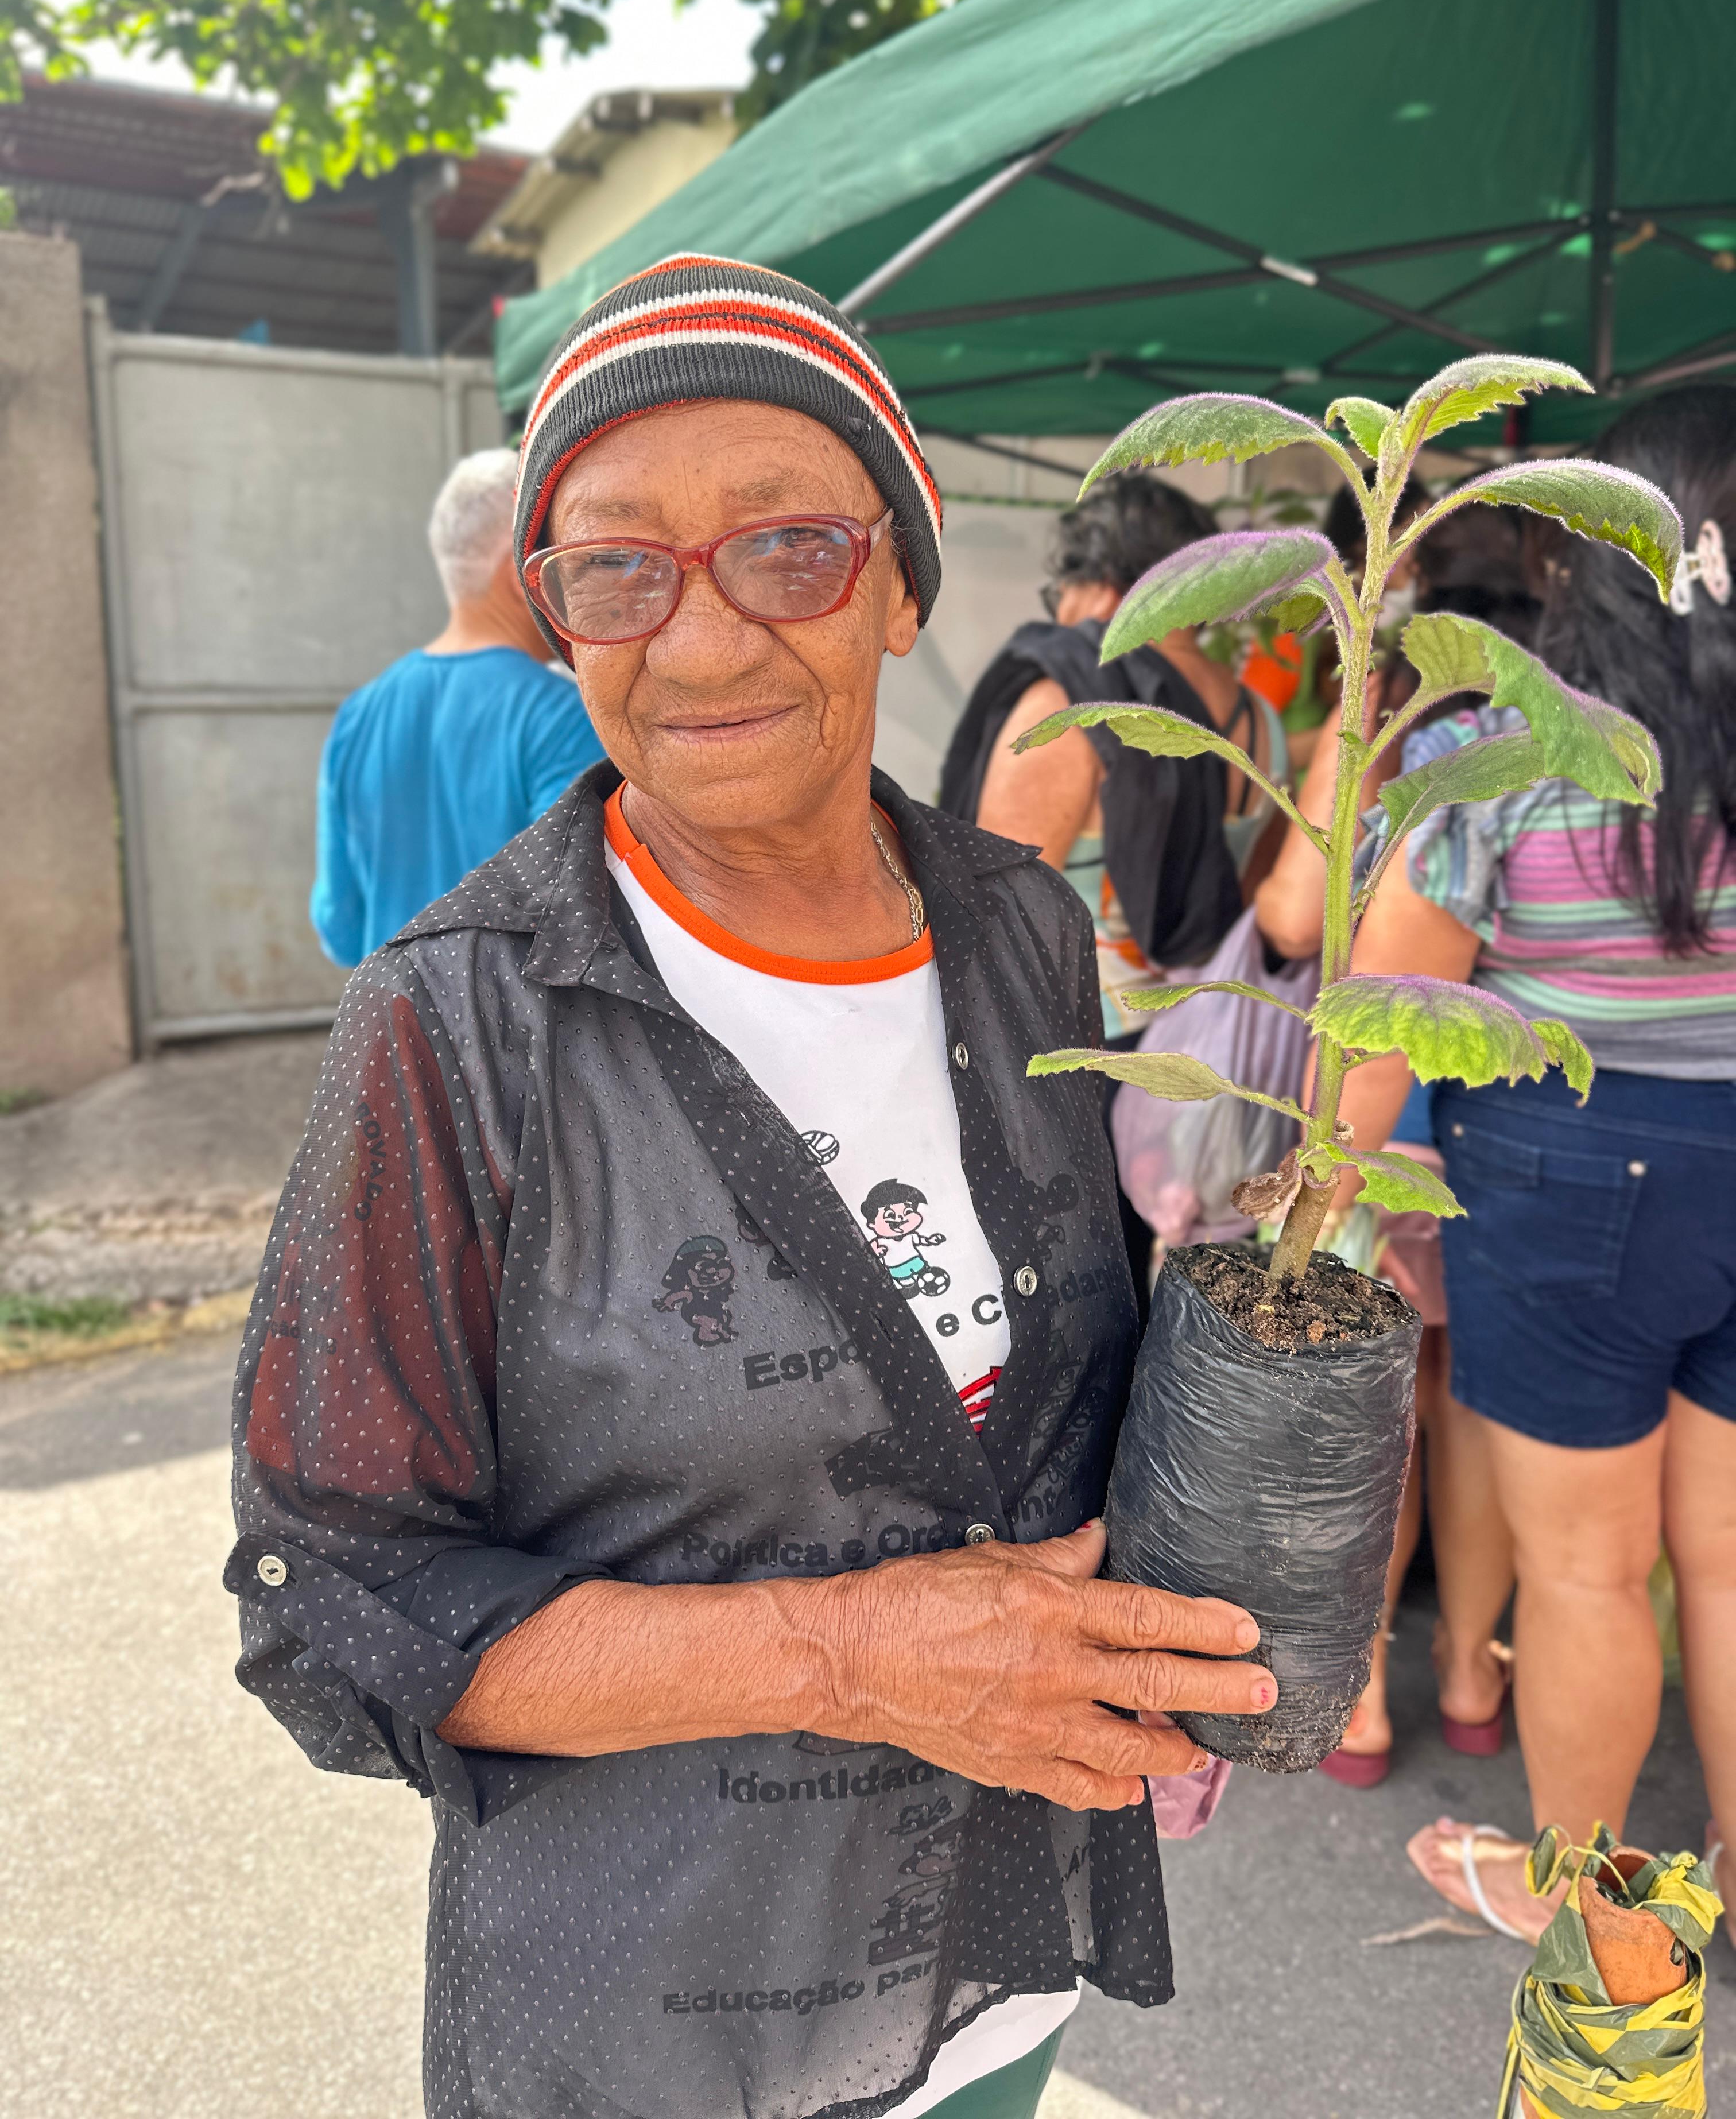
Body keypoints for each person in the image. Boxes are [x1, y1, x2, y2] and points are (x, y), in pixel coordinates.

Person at [228, 255, 1276, 2119]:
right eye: (618, 566)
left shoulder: (1022, 927)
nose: (698, 645)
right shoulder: (453, 1030)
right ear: (557, 620)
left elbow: (1053, 1358)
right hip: (659, 2019)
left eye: (786, 548)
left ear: (896, 583)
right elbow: (342, 1596)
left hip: (990, 1975)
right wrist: (861, 1652)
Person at [1326, 385, 1736, 1943]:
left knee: (1587, 1574)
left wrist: (1311, 1214)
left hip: (1572, 1186)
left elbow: (1386, 1014)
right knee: (1730, 1562)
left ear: (1595, 556)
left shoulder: (1505, 761)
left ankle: (1590, 1912)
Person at [1254, 498, 1541, 1785]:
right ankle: (1475, 1677)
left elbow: (1300, 913)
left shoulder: (1416, 737)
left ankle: (1363, 1696)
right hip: (1512, 1142)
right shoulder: (1574, 744)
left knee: (1375, 1425)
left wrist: (1357, 711)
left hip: (1379, 1127)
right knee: (1467, 1412)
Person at [939, 474, 1249, 1035]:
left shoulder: (1065, 707)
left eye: (1061, 592)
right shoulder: (1258, 717)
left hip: (1082, 1051)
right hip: (1206, 1042)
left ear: (1103, 584)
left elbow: (994, 922)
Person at [309, 447, 606, 965]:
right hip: (514, 1040)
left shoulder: (359, 716)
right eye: (560, 558)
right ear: (521, 576)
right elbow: (575, 920)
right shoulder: (563, 718)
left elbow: (339, 924)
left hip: (394, 1031)